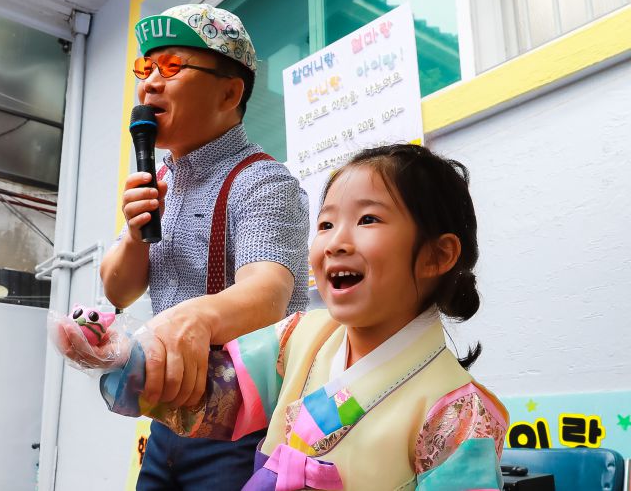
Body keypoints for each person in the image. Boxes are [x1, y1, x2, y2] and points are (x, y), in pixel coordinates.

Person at [89, 144, 508, 490]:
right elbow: (208, 393)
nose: (336, 242)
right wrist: (120, 356)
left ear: (438, 255)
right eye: (326, 224)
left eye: (368, 219)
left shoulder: (462, 413)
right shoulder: (297, 336)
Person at [99, 3, 310, 490]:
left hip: (245, 429)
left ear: (230, 92)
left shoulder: (263, 181)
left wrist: (191, 318)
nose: (150, 83)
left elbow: (268, 294)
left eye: (172, 67)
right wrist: (134, 234)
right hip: (166, 427)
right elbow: (117, 291)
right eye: (145, 68)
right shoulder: (160, 177)